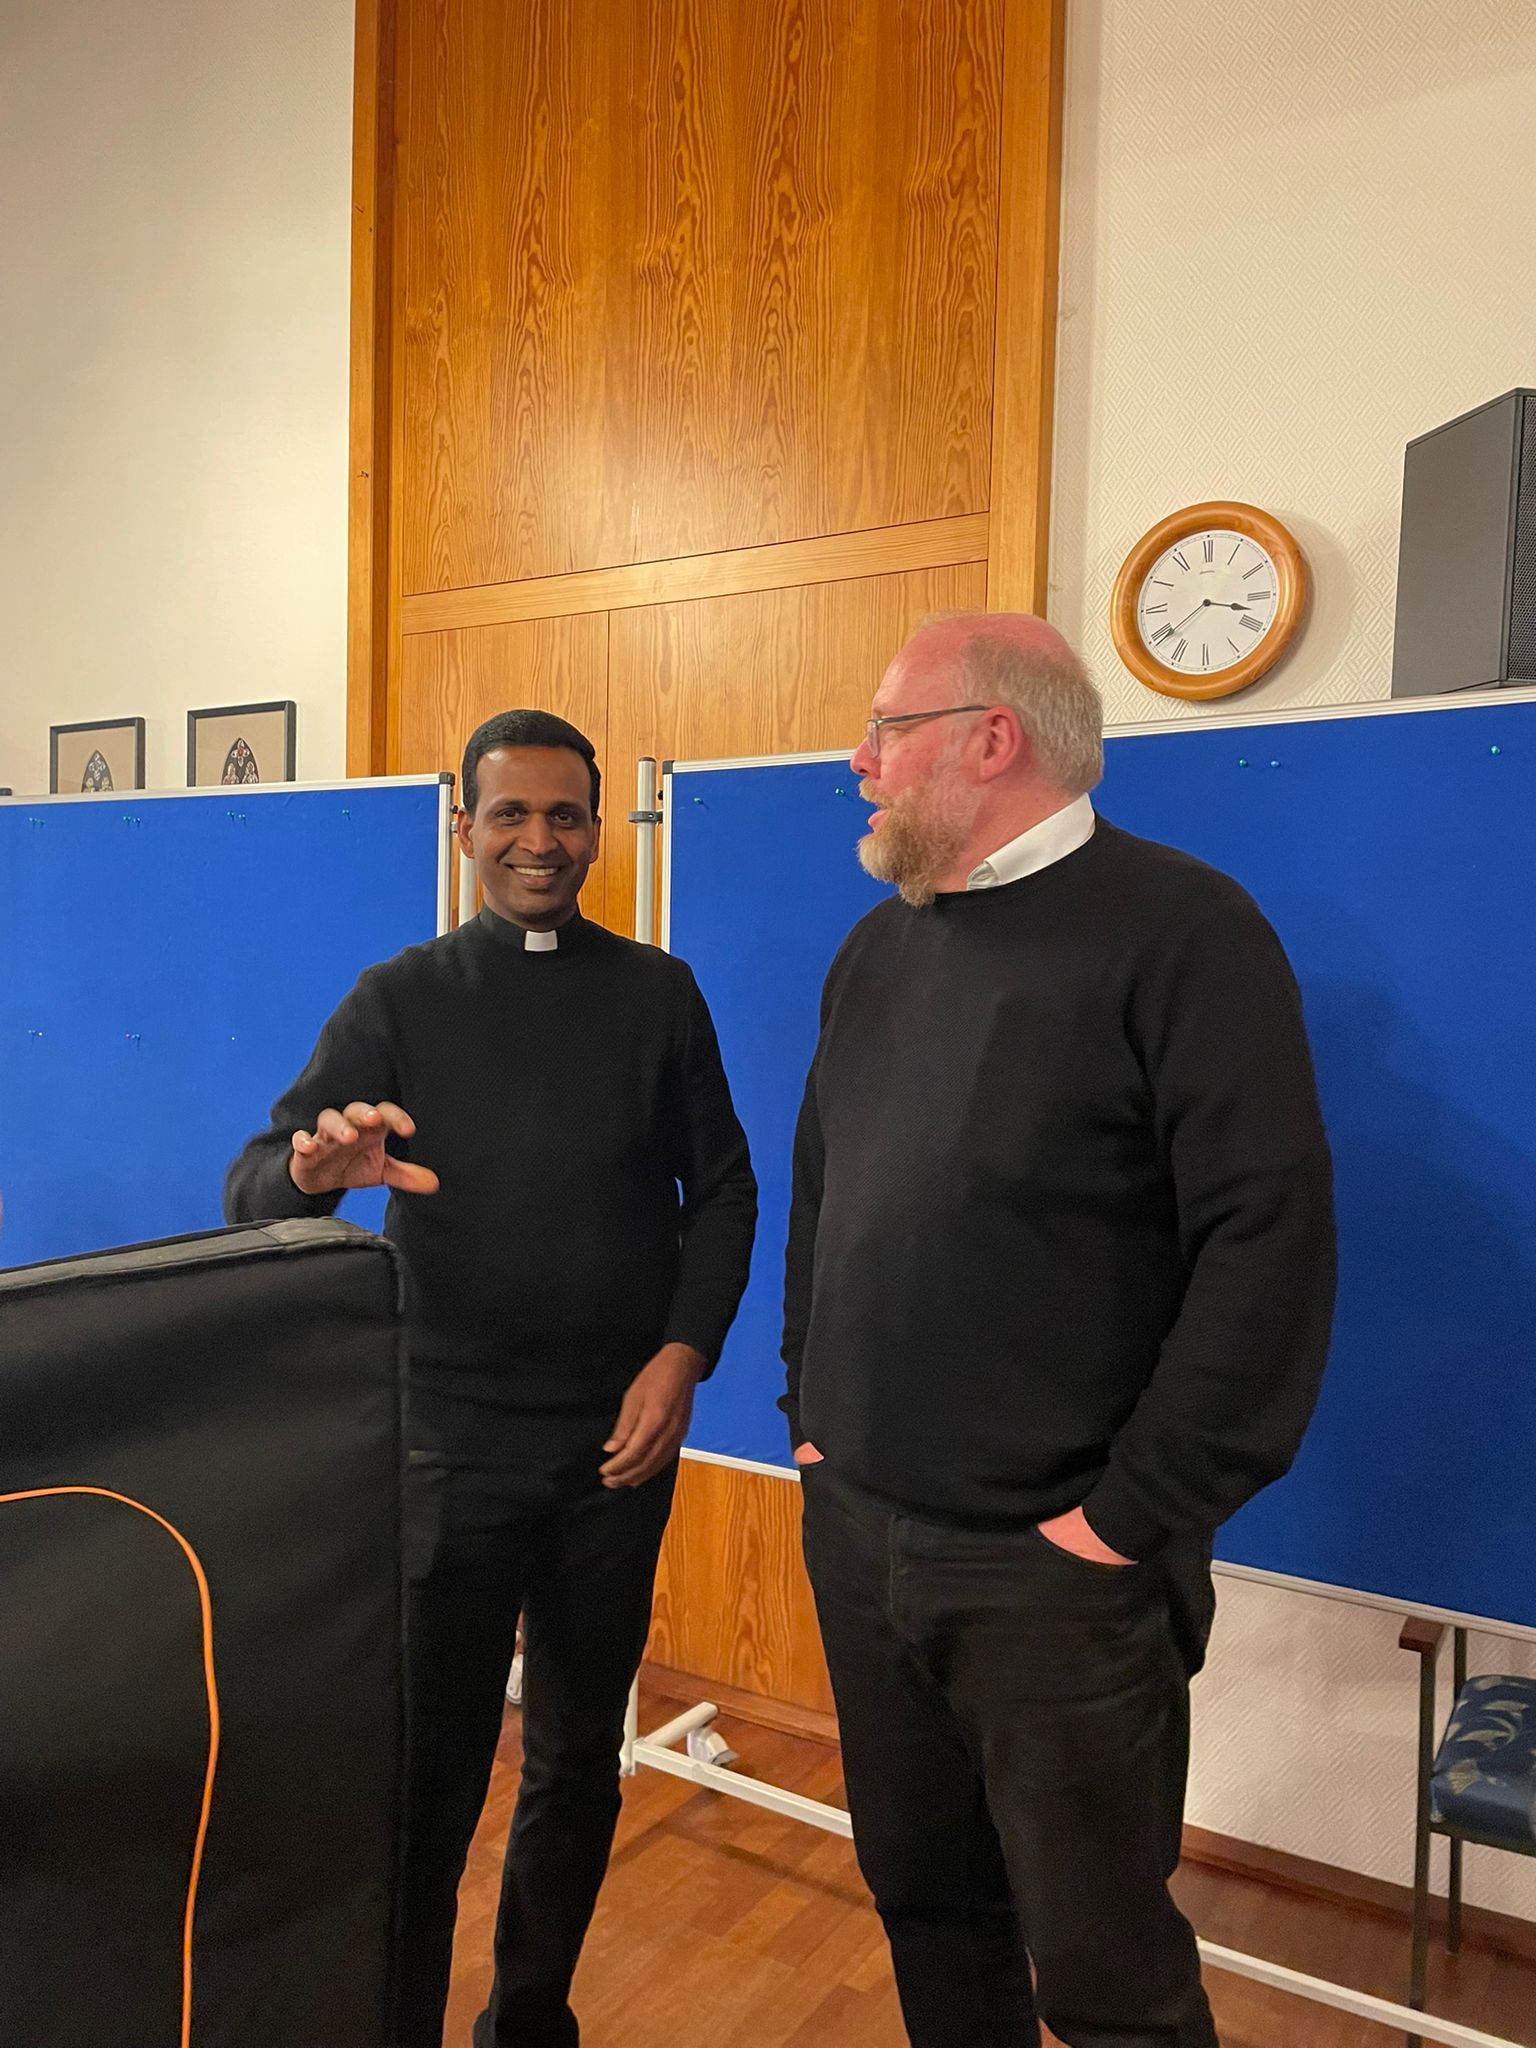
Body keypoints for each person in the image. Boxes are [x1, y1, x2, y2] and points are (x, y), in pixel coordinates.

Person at [782, 614, 1336, 2048]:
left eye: (886, 729)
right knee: (928, 1911)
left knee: (1108, 1980)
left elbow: (1267, 1248)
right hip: (862, 1532)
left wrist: (1125, 1520)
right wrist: (811, 1420)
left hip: (1059, 1574)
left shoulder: (1187, 931)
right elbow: (824, 1195)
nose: (859, 762)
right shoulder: (877, 949)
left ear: (991, 738)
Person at [225, 710, 756, 2048]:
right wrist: (315, 1174)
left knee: (578, 1762)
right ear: (464, 828)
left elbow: (725, 1193)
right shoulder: (399, 997)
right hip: (445, 1446)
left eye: (565, 815)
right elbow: (253, 1192)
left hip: (613, 1452)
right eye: (510, 814)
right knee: (429, 1776)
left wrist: (684, 1354)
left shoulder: (659, 995)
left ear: (598, 831)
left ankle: (530, 2018)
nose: (539, 840)